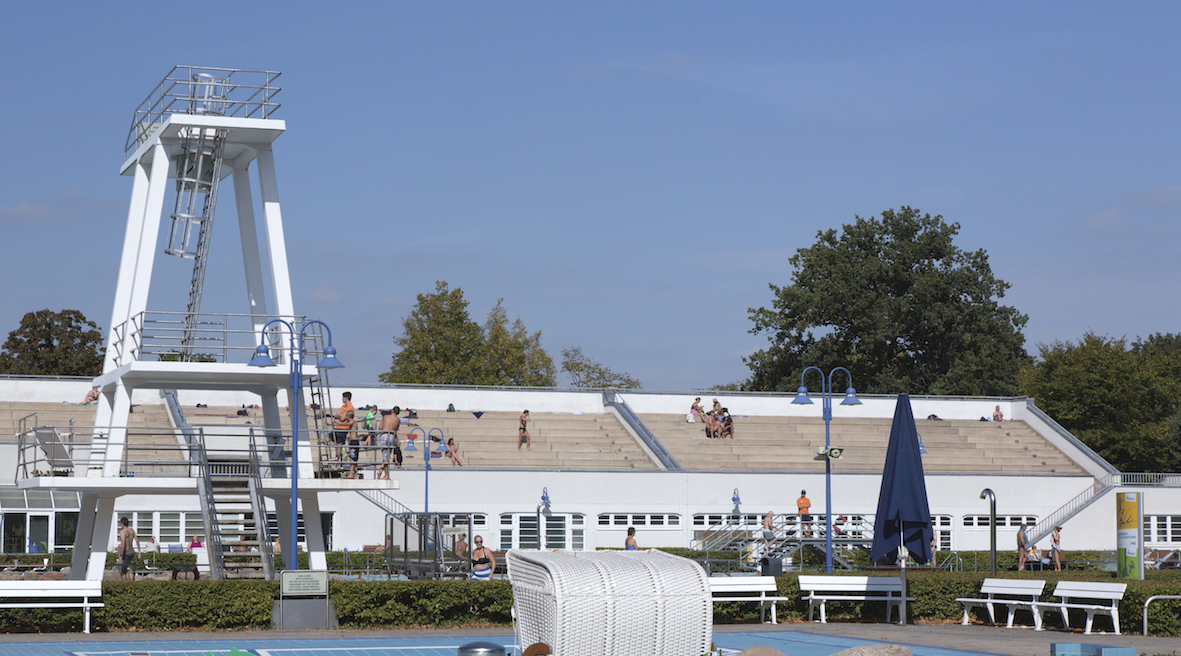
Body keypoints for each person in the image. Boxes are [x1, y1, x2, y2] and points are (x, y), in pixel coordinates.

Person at [377, 406, 402, 479]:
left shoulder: (385, 416)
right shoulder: (398, 420)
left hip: (384, 435)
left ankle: (386, 475)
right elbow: (396, 429)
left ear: (392, 411)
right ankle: (381, 471)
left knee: (385, 456)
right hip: (391, 436)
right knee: (387, 456)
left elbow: (380, 427)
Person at [332, 392, 355, 461]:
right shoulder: (343, 407)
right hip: (338, 428)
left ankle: (335, 464)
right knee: (326, 440)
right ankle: (341, 448)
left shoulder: (350, 407)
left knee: (338, 446)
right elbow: (336, 416)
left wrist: (340, 416)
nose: (342, 399)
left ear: (346, 398)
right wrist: (340, 416)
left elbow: (342, 419)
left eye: (343, 397)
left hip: (343, 429)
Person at [342, 410, 360, 478]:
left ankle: (351, 474)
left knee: (352, 459)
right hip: (352, 442)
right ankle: (355, 474)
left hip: (354, 442)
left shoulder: (352, 421)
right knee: (354, 459)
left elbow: (345, 424)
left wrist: (336, 423)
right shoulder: (352, 422)